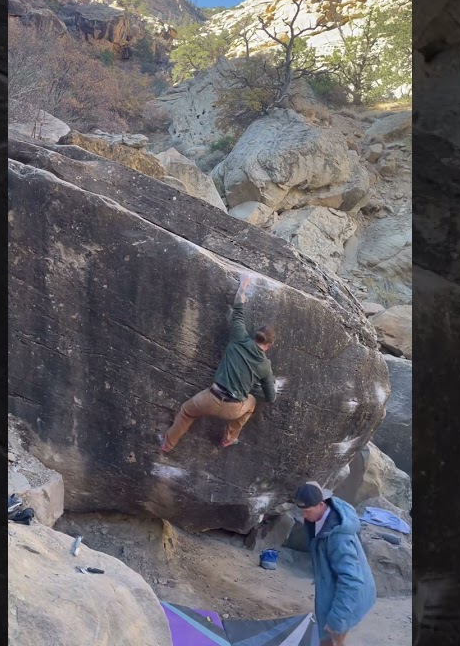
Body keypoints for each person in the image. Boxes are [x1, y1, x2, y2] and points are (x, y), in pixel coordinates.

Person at [160, 273, 277, 452]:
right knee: (251, 402)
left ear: (255, 335)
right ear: (269, 346)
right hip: (234, 408)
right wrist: (253, 387)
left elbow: (238, 309)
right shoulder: (265, 366)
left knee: (186, 412)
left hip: (210, 398)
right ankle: (229, 438)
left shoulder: (239, 337)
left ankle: (167, 445)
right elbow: (270, 397)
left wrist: (243, 285)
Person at [294, 482, 376, 646]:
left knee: (332, 639)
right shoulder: (323, 510)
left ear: (321, 504)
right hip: (338, 590)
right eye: (301, 511)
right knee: (328, 639)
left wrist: (336, 619)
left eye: (307, 511)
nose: (303, 516)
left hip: (349, 597)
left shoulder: (338, 539)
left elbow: (352, 581)